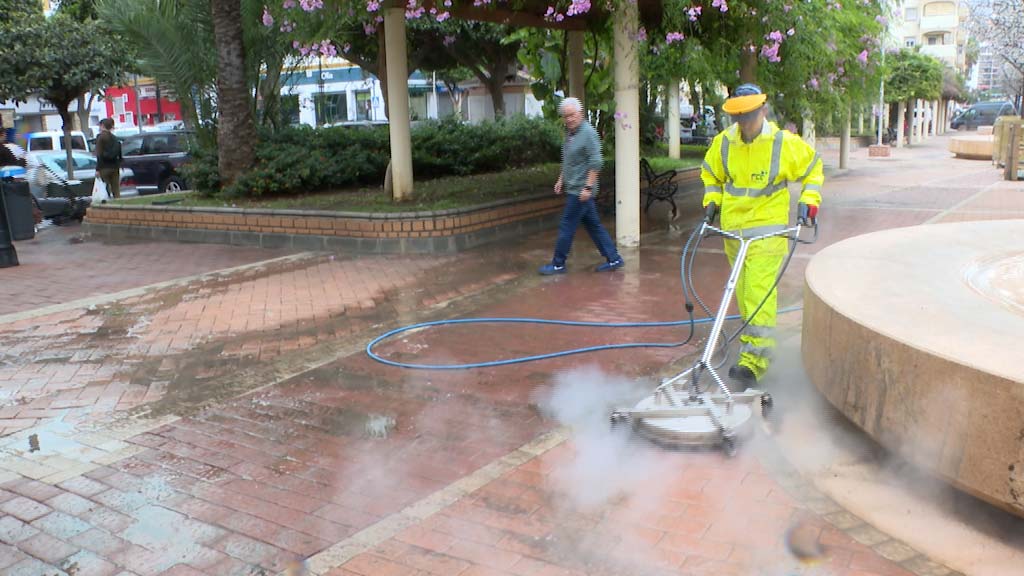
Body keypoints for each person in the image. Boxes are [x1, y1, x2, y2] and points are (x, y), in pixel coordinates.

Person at [700, 83, 823, 391]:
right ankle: (752, 350)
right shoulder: (724, 142)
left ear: (763, 111)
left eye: (749, 116)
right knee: (741, 293)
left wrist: (809, 199)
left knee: (758, 293)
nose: (743, 123)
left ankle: (755, 364)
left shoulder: (783, 143)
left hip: (768, 231)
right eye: (738, 117)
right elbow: (711, 174)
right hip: (733, 232)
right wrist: (711, 200)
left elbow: (813, 168)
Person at [539, 97, 624, 275]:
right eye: (566, 116)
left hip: (580, 191)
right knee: (594, 226)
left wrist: (587, 188)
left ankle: (558, 263)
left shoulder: (588, 133)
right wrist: (561, 179)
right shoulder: (570, 133)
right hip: (574, 187)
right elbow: (570, 160)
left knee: (566, 226)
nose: (569, 119)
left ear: (580, 113)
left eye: (572, 115)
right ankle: (614, 258)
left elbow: (597, 162)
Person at [93, 118, 122, 199]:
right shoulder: (115, 138)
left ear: (102, 126)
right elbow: (119, 152)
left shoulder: (100, 137)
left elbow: (99, 154)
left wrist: (97, 169)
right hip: (115, 166)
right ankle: (119, 205)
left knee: (105, 189)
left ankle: (107, 206)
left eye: (100, 126)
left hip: (104, 167)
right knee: (116, 190)